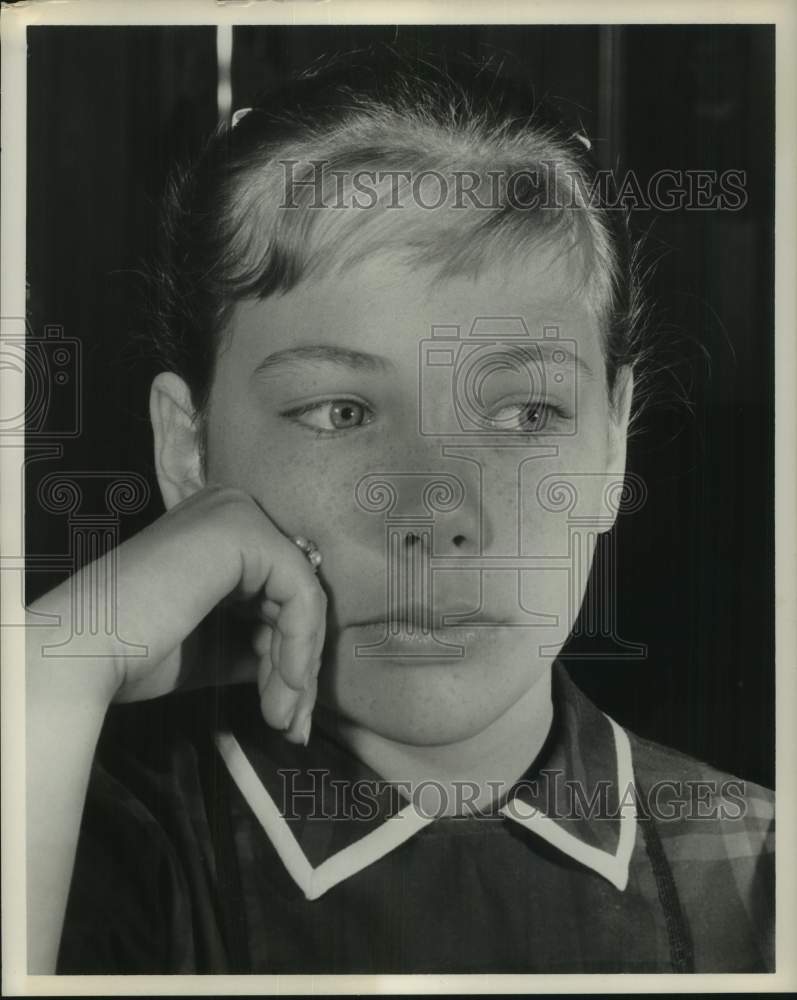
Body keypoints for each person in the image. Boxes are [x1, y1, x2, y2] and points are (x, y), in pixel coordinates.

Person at [26, 50, 774, 975]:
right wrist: (51, 667)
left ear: (612, 442)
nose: (437, 513)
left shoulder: (762, 878)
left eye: (525, 414)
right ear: (188, 448)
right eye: (340, 413)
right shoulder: (72, 846)